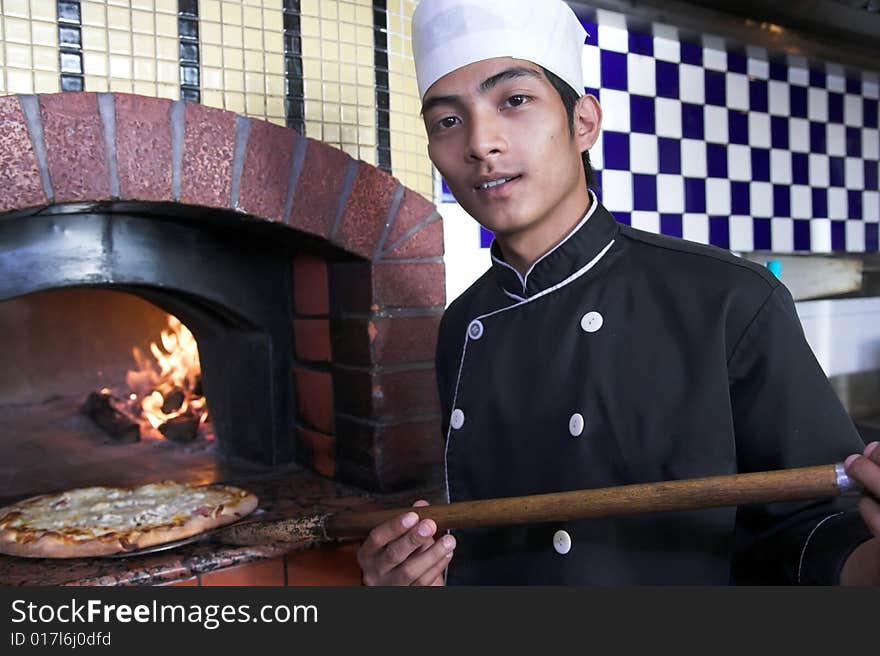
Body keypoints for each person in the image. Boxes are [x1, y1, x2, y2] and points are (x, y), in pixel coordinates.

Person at [357, 0, 880, 585]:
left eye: (515, 100)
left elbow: (817, 527)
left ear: (584, 122)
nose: (481, 143)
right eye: (448, 121)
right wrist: (416, 579)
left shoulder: (729, 301)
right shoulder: (462, 322)